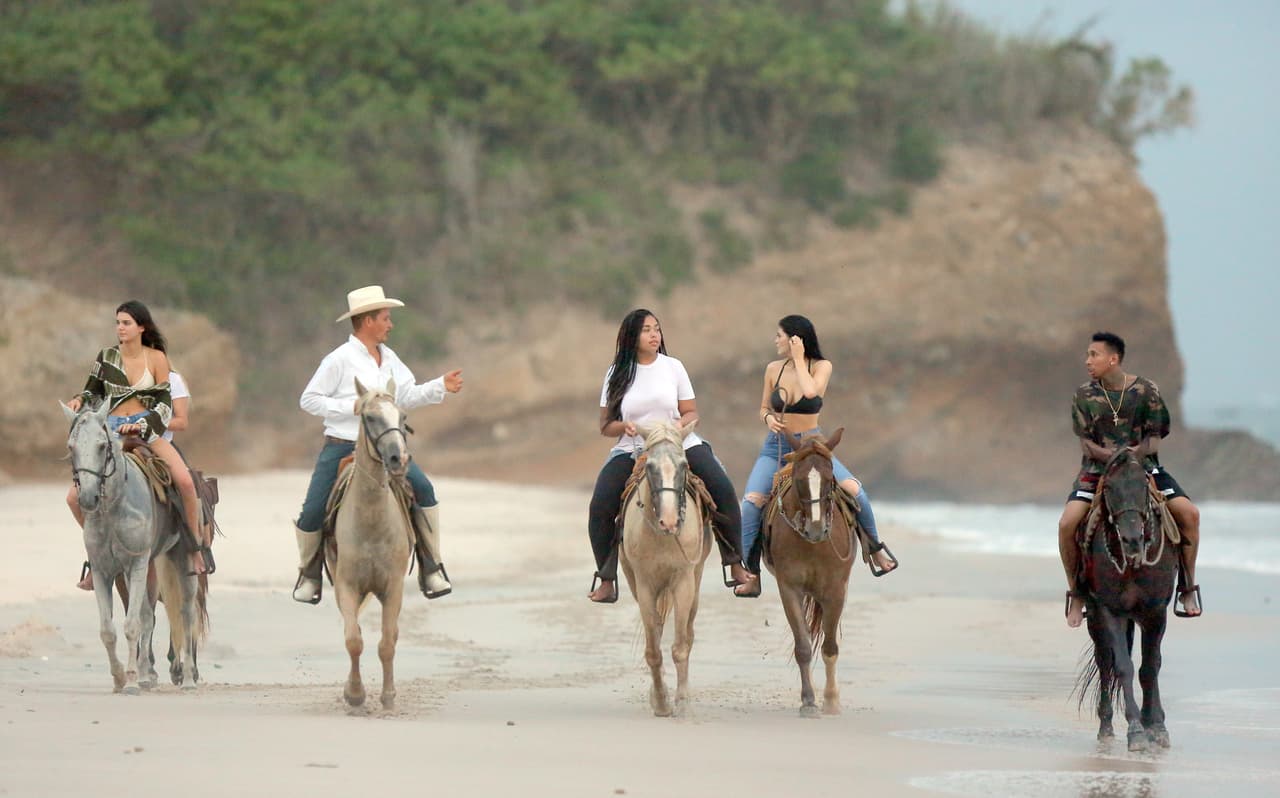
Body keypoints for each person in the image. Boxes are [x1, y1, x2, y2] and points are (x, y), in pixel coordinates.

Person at [292, 285, 462, 604]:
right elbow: (309, 399)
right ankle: (310, 574)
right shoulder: (338, 360)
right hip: (342, 445)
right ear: (368, 321)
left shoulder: (390, 359)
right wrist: (352, 406)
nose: (390, 324)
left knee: (424, 490)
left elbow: (407, 395)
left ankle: (431, 566)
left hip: (386, 450)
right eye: (385, 318)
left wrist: (441, 385)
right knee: (312, 510)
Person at [586, 308, 756, 603]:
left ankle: (734, 561)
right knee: (600, 505)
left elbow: (691, 412)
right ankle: (607, 578)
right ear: (632, 336)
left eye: (657, 329)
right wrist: (624, 427)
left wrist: (677, 428)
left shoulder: (673, 367)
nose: (654, 335)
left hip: (680, 443)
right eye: (647, 330)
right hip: (634, 448)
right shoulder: (616, 373)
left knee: (722, 487)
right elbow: (605, 425)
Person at [736, 315, 897, 596]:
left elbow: (811, 392)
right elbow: (763, 408)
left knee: (855, 491)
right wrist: (768, 419)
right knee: (750, 506)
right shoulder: (773, 369)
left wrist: (799, 359)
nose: (775, 340)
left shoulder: (822, 366)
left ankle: (875, 550)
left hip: (812, 446)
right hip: (776, 447)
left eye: (779, 335)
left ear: (795, 339)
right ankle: (751, 574)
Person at [1058, 331, 1202, 627]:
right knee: (1067, 524)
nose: (1088, 361)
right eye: (1087, 355)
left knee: (1190, 514)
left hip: (1144, 468)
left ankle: (1187, 587)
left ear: (1113, 359)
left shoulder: (1147, 390)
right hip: (1097, 471)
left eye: (1094, 355)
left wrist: (1132, 455)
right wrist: (1113, 457)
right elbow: (1086, 444)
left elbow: (1154, 439)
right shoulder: (1084, 395)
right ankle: (1077, 592)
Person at [66, 301, 209, 581]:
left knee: (185, 482)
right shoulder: (106, 357)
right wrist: (79, 400)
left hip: (146, 430)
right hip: (112, 432)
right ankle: (98, 556)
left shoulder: (157, 358)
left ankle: (194, 549)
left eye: (126, 323)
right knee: (73, 498)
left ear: (142, 327)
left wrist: (143, 425)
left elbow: (164, 404)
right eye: (118, 322)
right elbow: (92, 391)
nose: (120, 328)